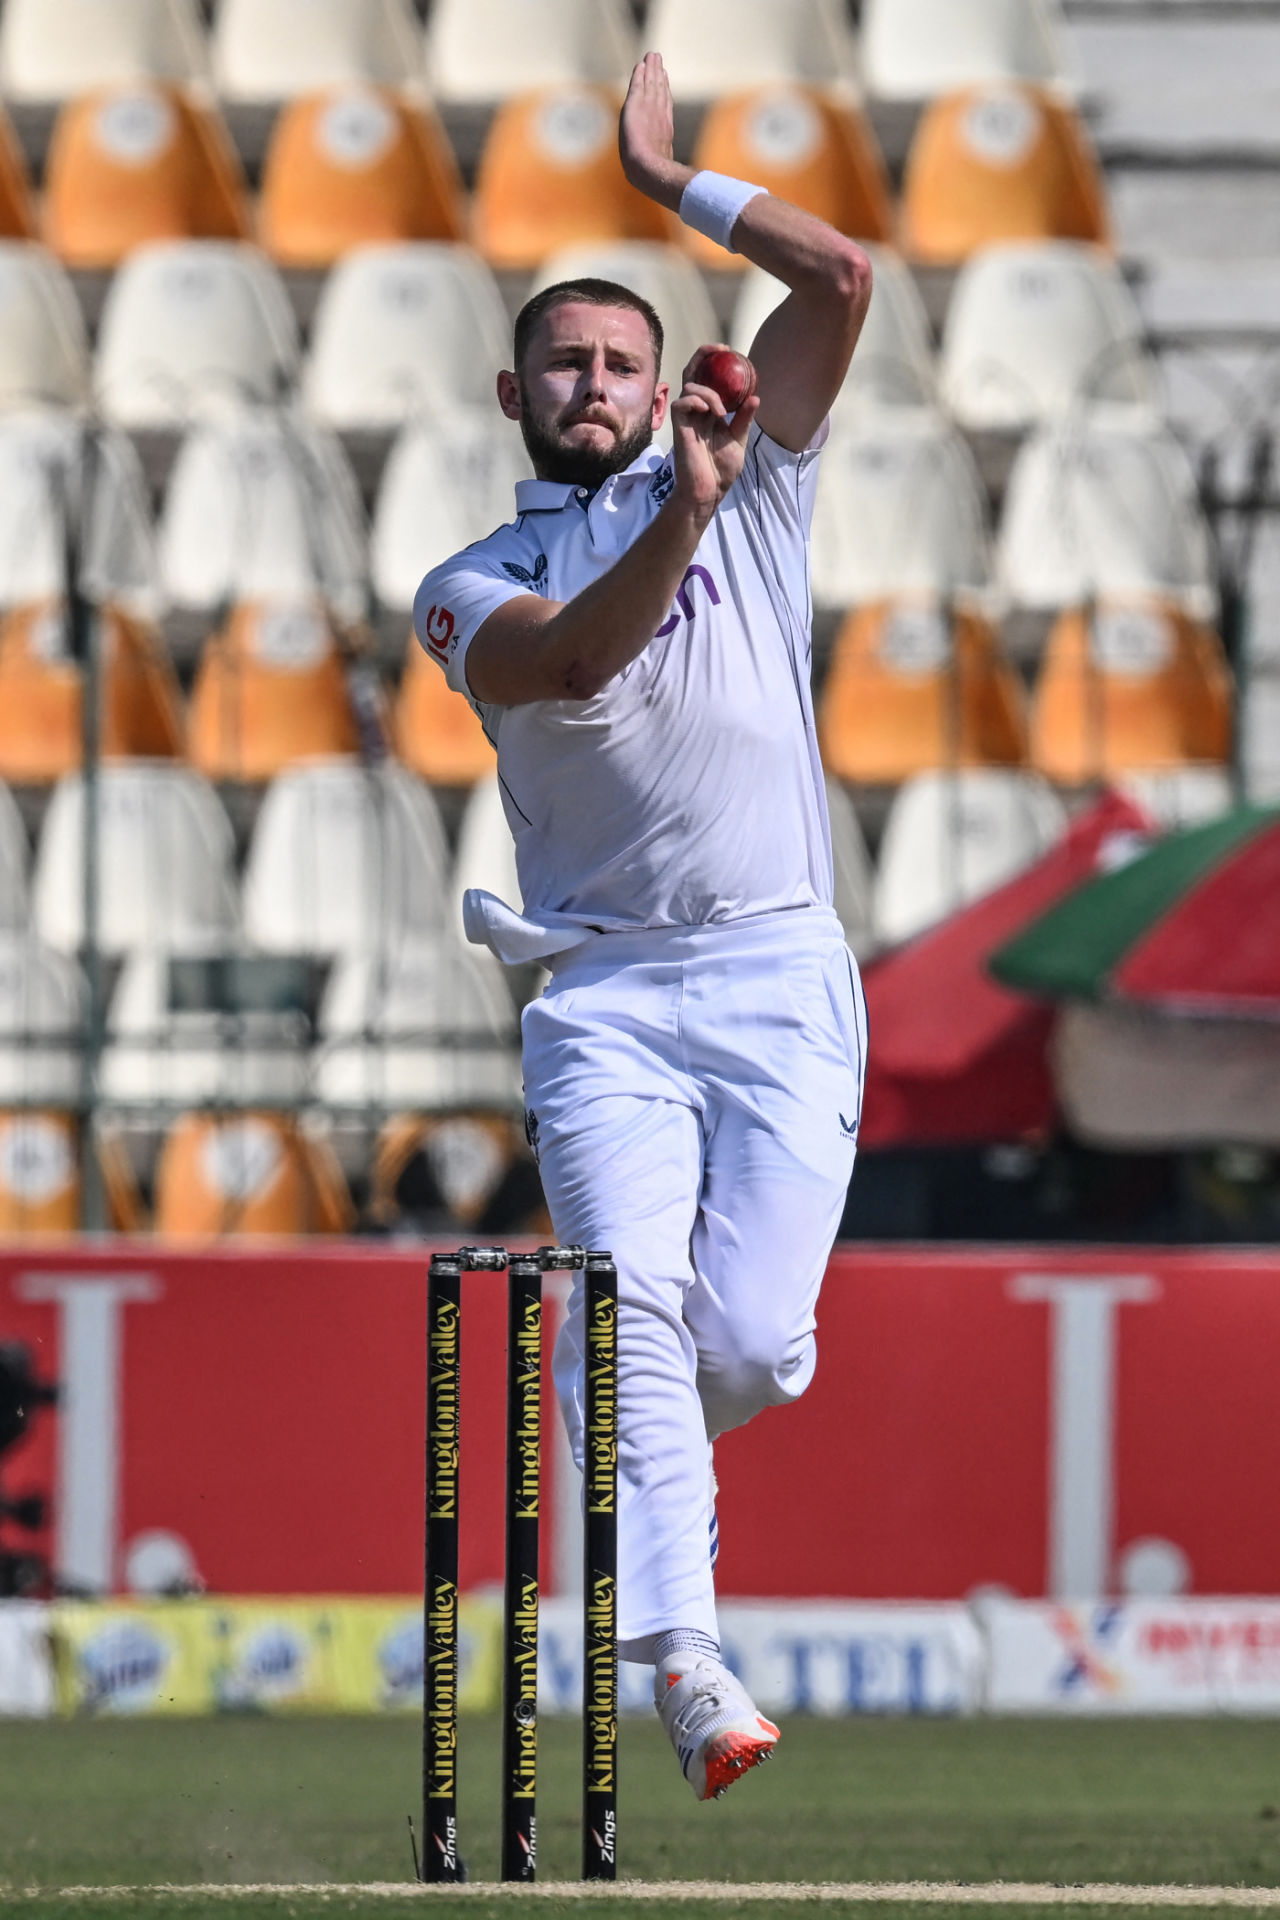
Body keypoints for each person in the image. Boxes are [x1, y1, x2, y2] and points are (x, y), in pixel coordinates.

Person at [415, 52, 872, 1802]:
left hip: (777, 967)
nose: (596, 386)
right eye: (567, 364)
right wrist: (684, 501)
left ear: (659, 375)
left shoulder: (755, 482)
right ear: (515, 391)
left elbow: (840, 280)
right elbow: (576, 665)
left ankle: (614, 1394)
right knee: (625, 1311)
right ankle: (686, 1662)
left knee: (739, 1344)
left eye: (623, 361)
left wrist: (674, 184)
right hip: (600, 991)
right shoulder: (469, 583)